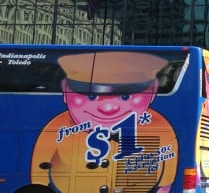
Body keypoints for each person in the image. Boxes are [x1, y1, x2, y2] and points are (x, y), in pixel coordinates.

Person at [30, 51, 178, 193]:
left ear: (152, 91)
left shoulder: (157, 126)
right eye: (91, 95)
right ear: (65, 90)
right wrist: (40, 185)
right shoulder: (58, 126)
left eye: (125, 96)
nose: (108, 108)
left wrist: (164, 185)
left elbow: (168, 158)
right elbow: (39, 166)